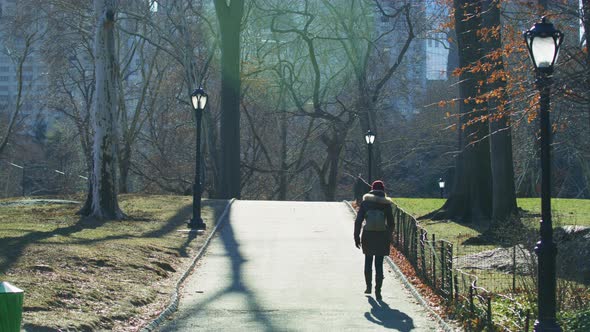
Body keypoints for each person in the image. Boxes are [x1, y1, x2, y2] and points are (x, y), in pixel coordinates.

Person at [354, 180, 394, 301]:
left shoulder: (366, 203)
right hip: (381, 235)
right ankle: (378, 290)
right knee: (379, 263)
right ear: (383, 190)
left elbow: (358, 221)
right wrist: (388, 235)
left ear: (371, 188)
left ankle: (368, 287)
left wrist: (356, 236)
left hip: (368, 235)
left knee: (368, 260)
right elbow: (391, 223)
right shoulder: (386, 204)